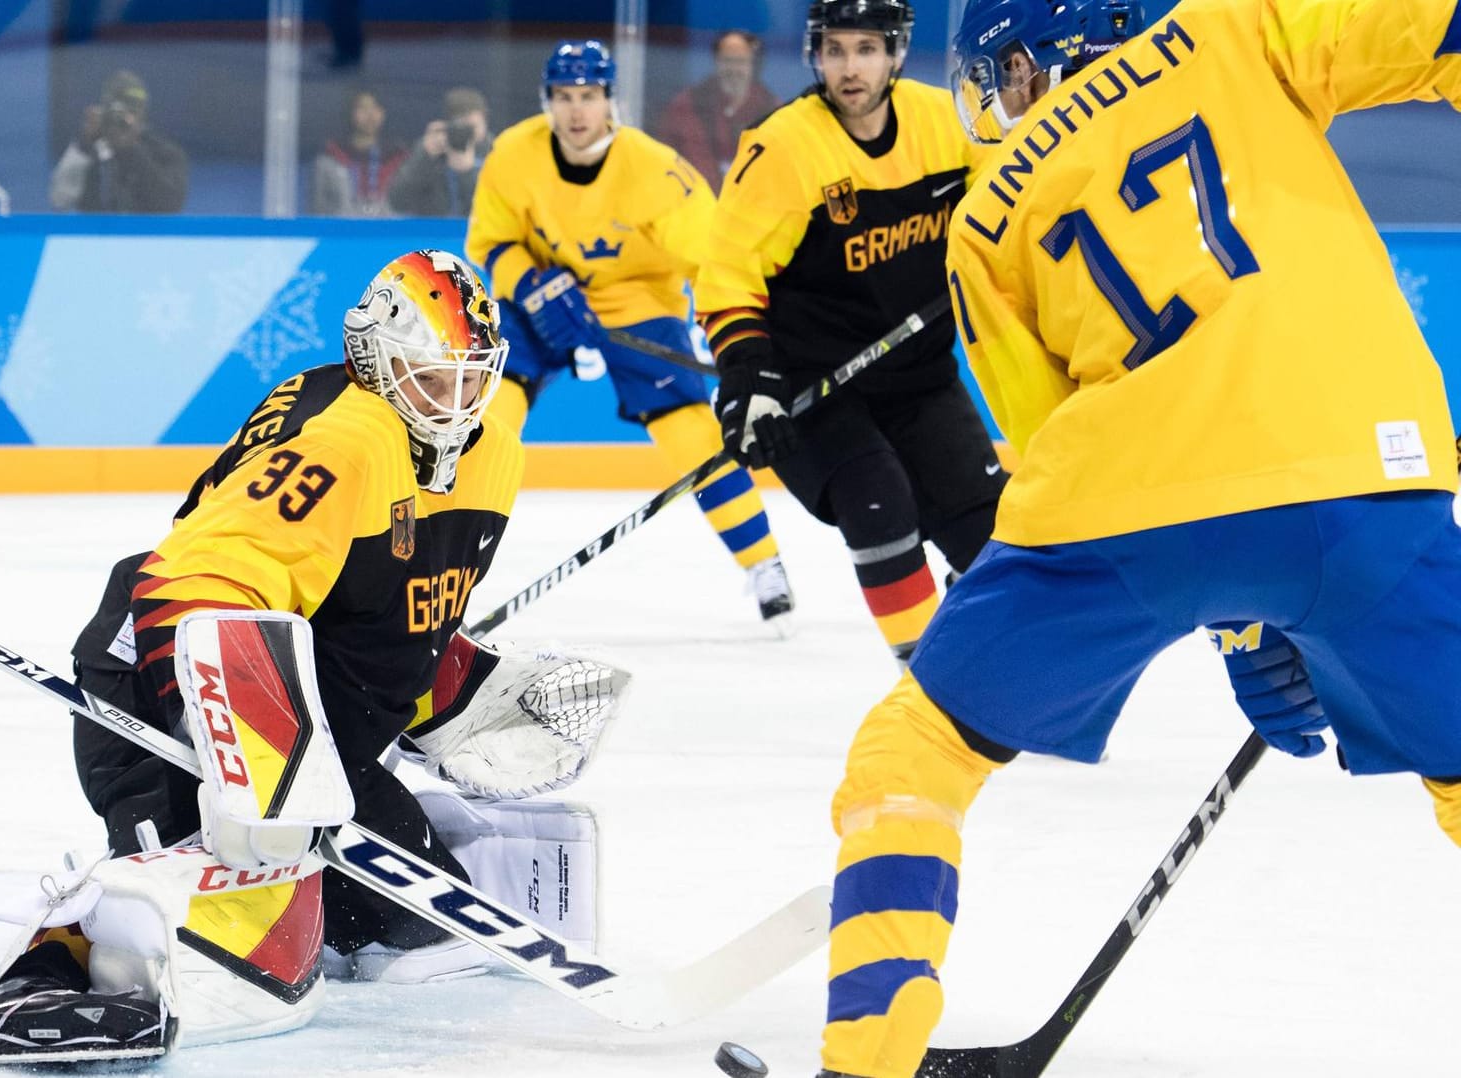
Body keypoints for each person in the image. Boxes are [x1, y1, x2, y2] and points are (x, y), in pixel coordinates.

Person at [815, 0, 1461, 1074]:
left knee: (913, 753)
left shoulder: (983, 219)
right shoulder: (1233, 25)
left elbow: (1042, 434)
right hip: (1365, 468)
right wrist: (1271, 620)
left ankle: (862, 1062)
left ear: (1037, 61)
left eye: (999, 75)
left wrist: (1243, 628)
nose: (997, 101)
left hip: (1123, 504)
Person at [0, 251, 626, 1063]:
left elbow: (380, 623)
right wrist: (248, 766)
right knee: (202, 911)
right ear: (377, 359)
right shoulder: (348, 440)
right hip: (158, 680)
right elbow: (188, 589)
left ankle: (256, 867)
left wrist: (451, 688)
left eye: (470, 378)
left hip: (303, 728)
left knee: (416, 934)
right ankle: (47, 966)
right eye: (429, 378)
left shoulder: (492, 456)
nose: (454, 402)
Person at [696, 0, 1006, 666]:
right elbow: (727, 275)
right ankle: (930, 683)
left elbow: (1001, 212)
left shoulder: (947, 121)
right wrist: (749, 381)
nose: (849, 68)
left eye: (866, 49)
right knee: (880, 507)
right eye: (834, 50)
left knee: (991, 530)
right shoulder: (783, 146)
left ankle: (1001, 667)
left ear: (896, 53)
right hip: (815, 385)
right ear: (814, 56)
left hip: (919, 378)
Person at [467, 40, 796, 628]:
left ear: (610, 102)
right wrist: (532, 282)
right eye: (564, 97)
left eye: (588, 97)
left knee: (693, 438)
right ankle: (450, 568)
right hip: (542, 296)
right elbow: (491, 244)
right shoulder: (513, 154)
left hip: (638, 305)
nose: (576, 112)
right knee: (489, 419)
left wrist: (754, 345)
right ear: (547, 101)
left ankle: (764, 563)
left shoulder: (658, 172)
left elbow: (717, 265)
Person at [49, 69, 190, 214]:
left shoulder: (165, 153)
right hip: (95, 234)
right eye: (117, 113)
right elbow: (60, 199)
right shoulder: (88, 149)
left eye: (133, 113)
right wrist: (84, 145)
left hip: (145, 235)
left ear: (143, 116)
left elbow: (171, 205)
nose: (123, 120)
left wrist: (132, 150)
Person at [658, 30, 780, 193]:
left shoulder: (772, 111)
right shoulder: (687, 106)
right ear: (716, 62)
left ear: (754, 65)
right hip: (697, 206)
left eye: (741, 61)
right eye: (727, 61)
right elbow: (664, 163)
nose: (733, 69)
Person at [389, 87, 492, 217]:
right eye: (461, 128)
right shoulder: (432, 152)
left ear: (484, 122)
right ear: (448, 125)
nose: (466, 134)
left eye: (472, 128)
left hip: (480, 233)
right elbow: (397, 202)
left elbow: (499, 207)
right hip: (434, 233)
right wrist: (424, 158)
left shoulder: (496, 153)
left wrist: (469, 173)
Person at [311, 89, 406, 217]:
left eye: (375, 107)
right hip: (343, 232)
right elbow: (318, 211)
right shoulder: (330, 159)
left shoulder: (400, 160)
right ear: (351, 113)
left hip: (390, 233)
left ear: (383, 113)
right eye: (362, 108)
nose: (370, 114)